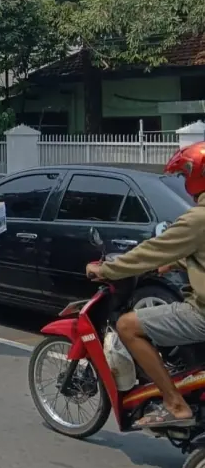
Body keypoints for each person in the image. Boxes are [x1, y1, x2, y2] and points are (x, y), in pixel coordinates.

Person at [86, 141, 205, 428]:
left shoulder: (198, 218)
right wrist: (174, 263)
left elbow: (150, 250)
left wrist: (107, 269)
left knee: (128, 325)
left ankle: (175, 404)